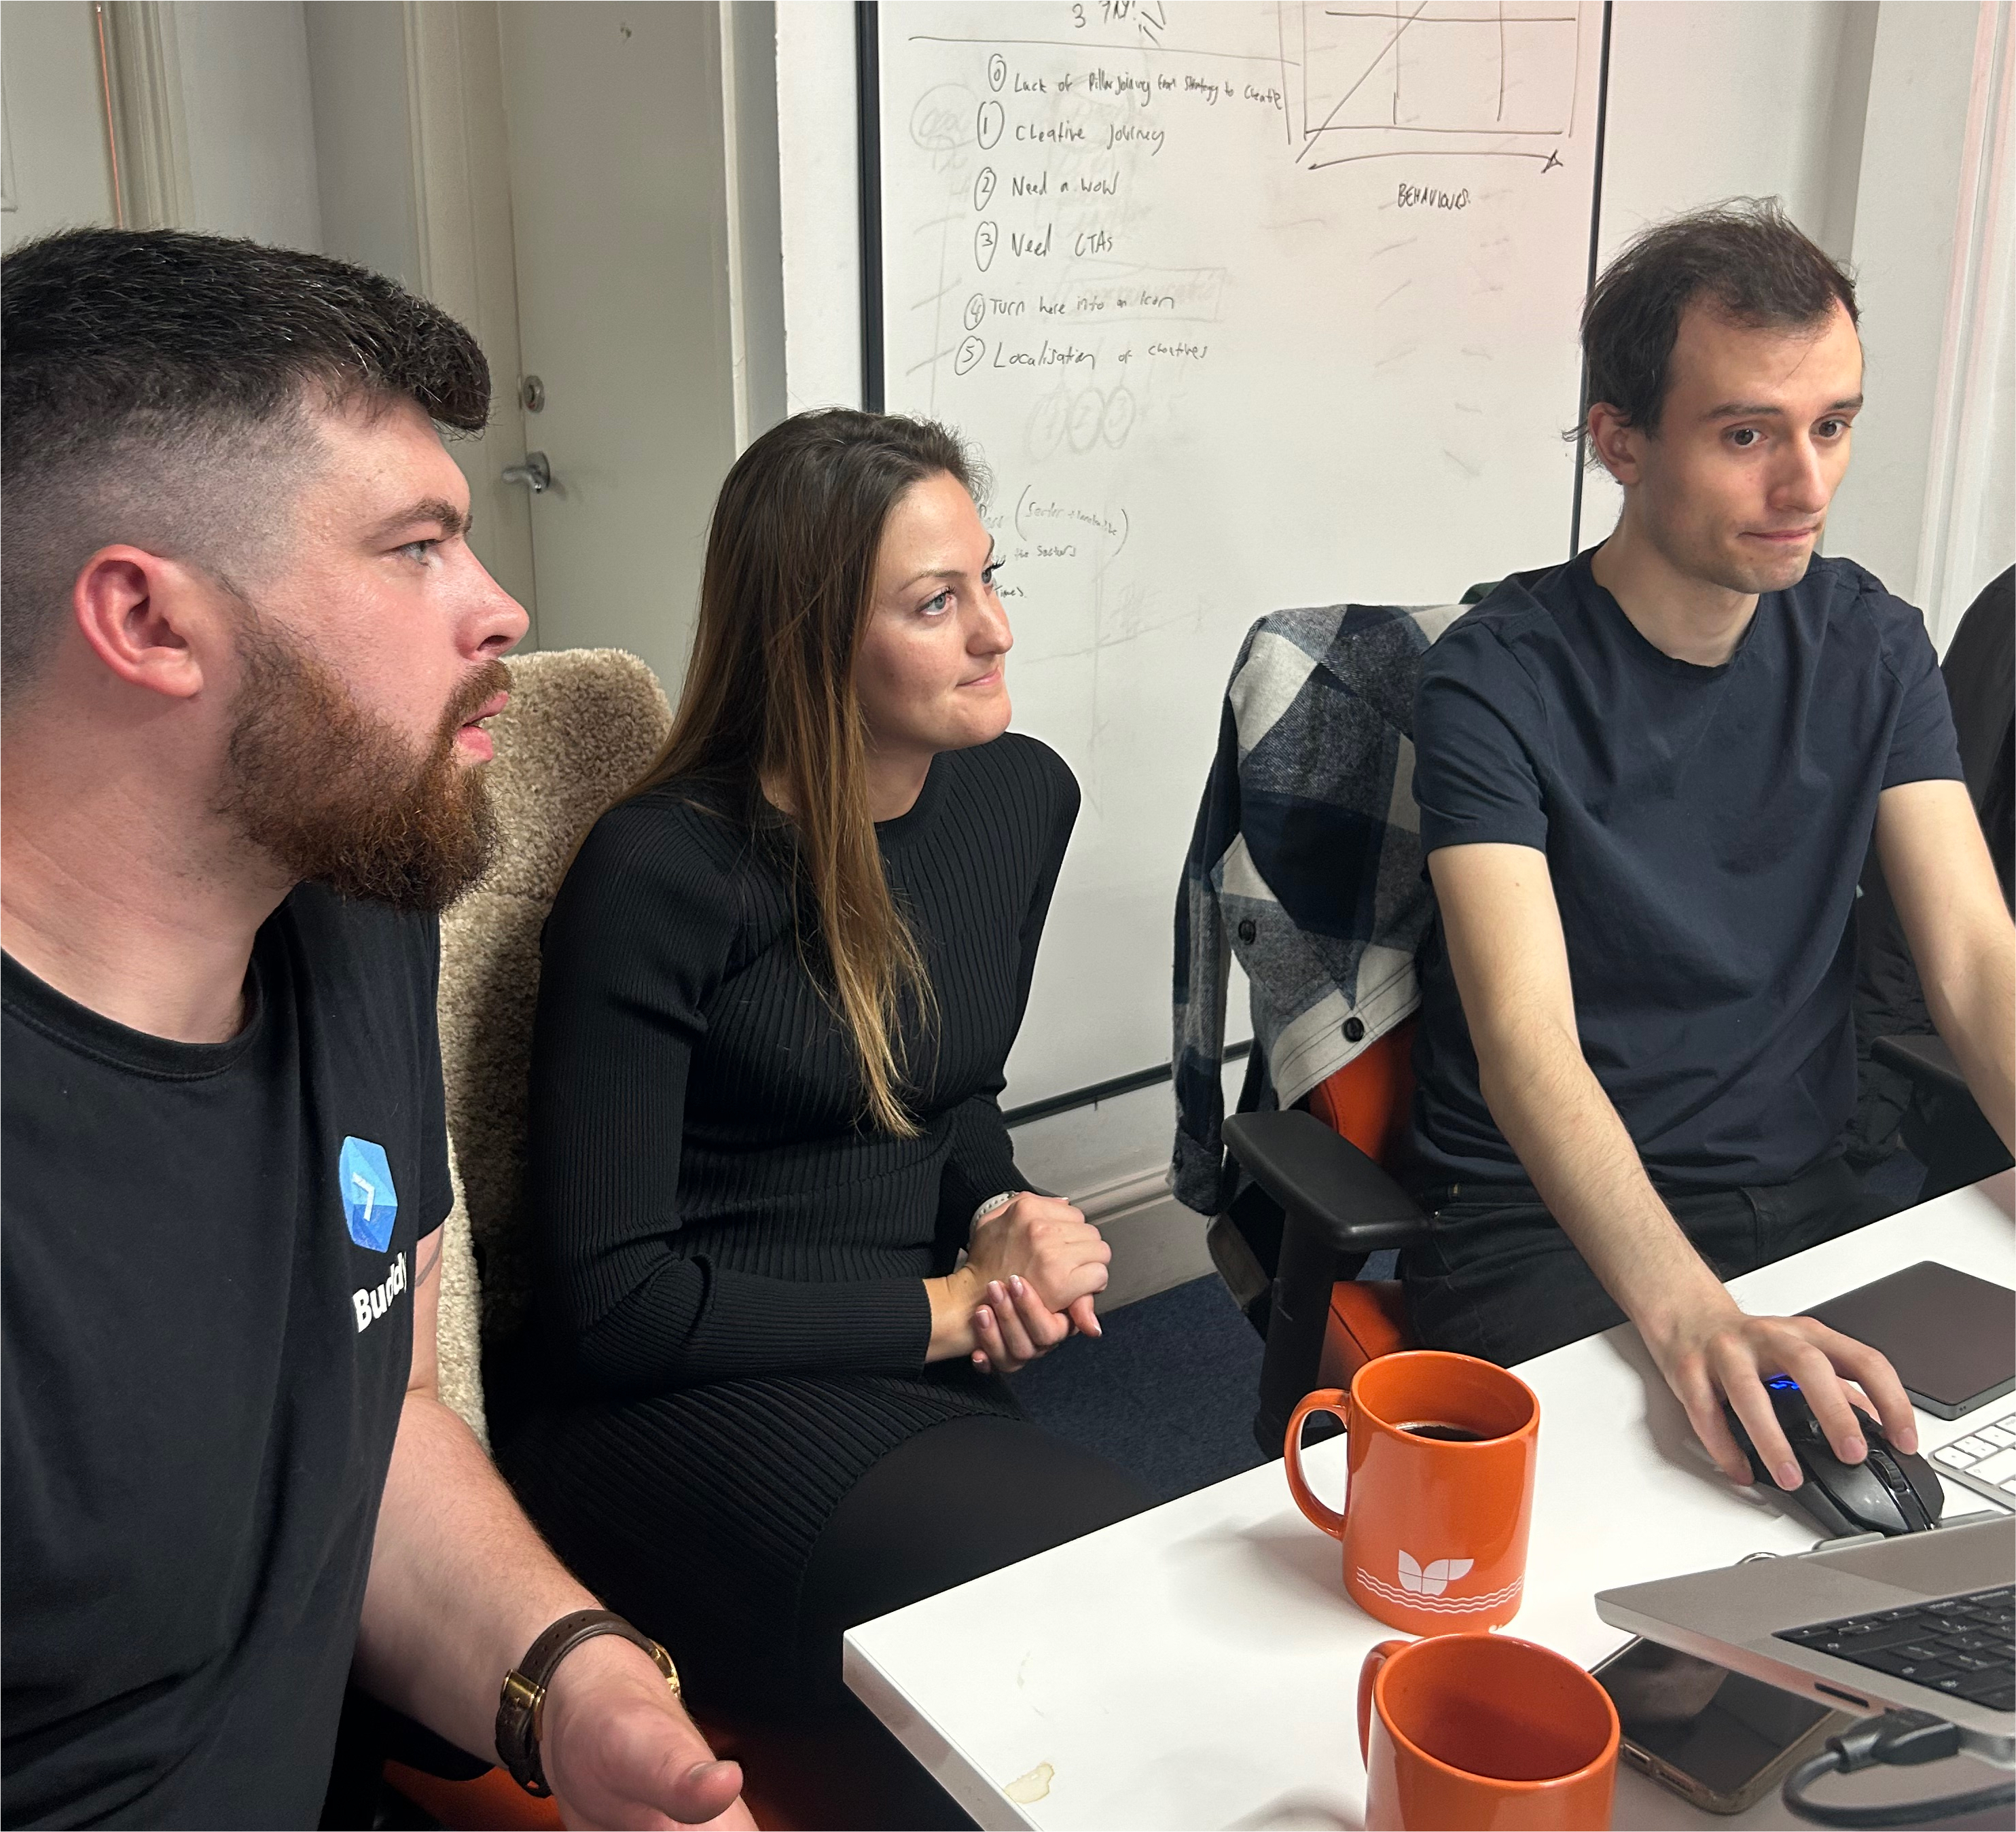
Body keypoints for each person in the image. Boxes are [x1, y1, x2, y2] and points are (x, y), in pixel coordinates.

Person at [1, 228, 750, 1831]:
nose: (501, 606)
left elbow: (379, 1419)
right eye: (416, 547)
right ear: (146, 616)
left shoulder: (355, 906)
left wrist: (571, 1679)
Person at [498, 410, 1149, 1741]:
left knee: (1127, 1615)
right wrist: (945, 1310)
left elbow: (948, 1084)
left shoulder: (1019, 797)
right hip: (670, 1388)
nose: (995, 631)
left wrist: (992, 1211)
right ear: (810, 640)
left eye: (988, 578)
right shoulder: (662, 873)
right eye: (934, 601)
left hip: (901, 1342)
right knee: (1065, 1636)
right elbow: (608, 1307)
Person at [1403, 201, 2015, 1500]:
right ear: (1618, 442)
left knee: (1945, 1506)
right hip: (1549, 1230)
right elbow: (1526, 1047)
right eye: (1748, 436)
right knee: (1684, 1533)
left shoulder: (1873, 646)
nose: (1806, 489)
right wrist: (1690, 1316)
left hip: (1811, 1192)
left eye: (1833, 427)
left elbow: (1973, 961)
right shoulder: (1495, 681)